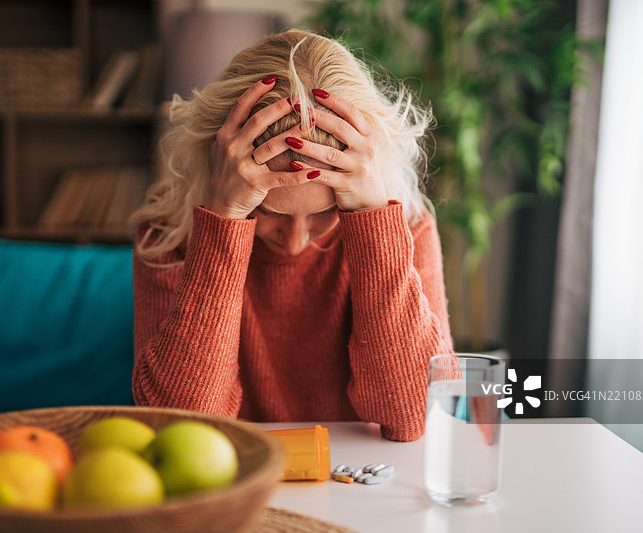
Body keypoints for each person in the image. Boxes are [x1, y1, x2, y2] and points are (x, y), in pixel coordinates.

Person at [129, 29, 453, 442]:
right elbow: (178, 430)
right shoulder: (167, 238)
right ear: (219, 166)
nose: (297, 242)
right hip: (236, 481)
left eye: (324, 213)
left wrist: (372, 223)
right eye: (267, 211)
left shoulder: (404, 227)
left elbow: (418, 416)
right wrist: (224, 221)